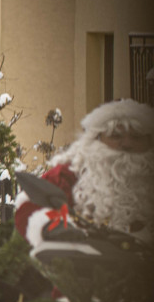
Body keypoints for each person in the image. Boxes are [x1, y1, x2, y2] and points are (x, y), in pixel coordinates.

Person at [15, 99, 154, 248]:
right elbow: (30, 207)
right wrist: (52, 227)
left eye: (136, 137)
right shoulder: (71, 172)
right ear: (97, 139)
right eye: (116, 136)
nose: (127, 144)